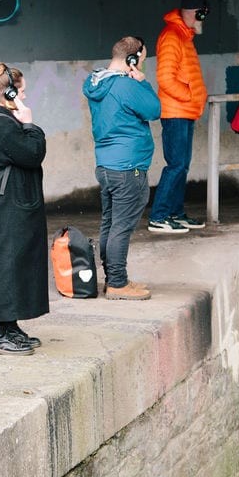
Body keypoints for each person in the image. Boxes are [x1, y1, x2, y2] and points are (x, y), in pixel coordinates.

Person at [83, 36, 161, 301]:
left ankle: (115, 278)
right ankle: (116, 283)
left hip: (106, 164)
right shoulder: (125, 86)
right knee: (121, 227)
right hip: (128, 167)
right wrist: (143, 81)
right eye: (142, 58)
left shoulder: (95, 81)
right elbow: (154, 109)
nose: (143, 63)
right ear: (133, 59)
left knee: (110, 223)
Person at [0, 63, 48, 355]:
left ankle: (10, 326)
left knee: (15, 260)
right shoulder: (1, 125)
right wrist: (30, 124)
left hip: (11, 202)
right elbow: (33, 153)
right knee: (6, 262)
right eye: (21, 89)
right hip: (7, 205)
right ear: (9, 93)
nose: (26, 93)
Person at [147, 0, 209, 235]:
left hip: (184, 111)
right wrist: (190, 96)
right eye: (203, 13)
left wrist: (192, 100)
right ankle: (159, 216)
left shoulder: (184, 35)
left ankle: (175, 213)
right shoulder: (173, 36)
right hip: (176, 112)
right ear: (197, 12)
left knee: (182, 165)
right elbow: (165, 79)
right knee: (176, 165)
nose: (204, 19)